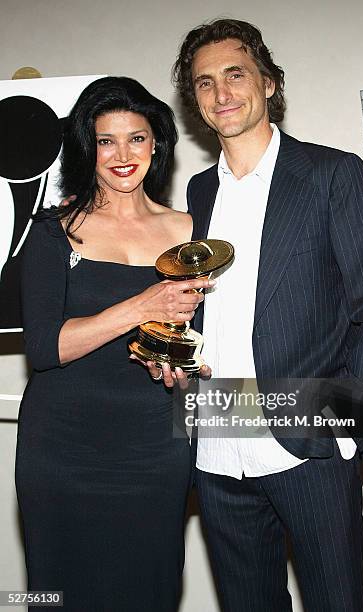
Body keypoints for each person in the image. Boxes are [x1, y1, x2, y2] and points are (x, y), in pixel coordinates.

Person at [160, 18, 363, 611]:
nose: (220, 94)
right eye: (203, 83)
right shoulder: (197, 194)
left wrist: (346, 432)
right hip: (217, 444)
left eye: (235, 74)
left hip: (310, 444)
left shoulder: (332, 173)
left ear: (268, 82)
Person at [15, 76, 214, 612]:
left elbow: (202, 333)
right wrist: (139, 306)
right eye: (107, 140)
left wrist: (184, 367)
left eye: (137, 138)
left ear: (157, 144)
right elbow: (44, 348)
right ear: (88, 147)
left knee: (151, 590)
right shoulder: (53, 229)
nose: (123, 155)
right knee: (58, 595)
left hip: (156, 444)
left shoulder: (192, 229)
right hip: (62, 448)